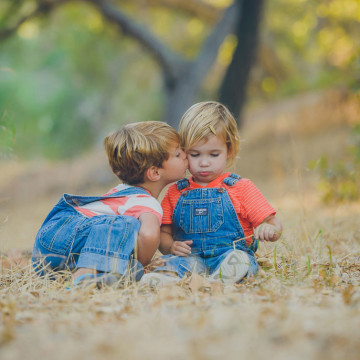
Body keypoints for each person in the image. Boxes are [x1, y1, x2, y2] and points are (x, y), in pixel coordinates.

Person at [140, 101, 282, 287]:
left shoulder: (241, 188)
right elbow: (164, 232)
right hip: (190, 259)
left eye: (213, 155)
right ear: (183, 152)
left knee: (240, 261)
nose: (204, 163)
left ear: (229, 150)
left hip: (228, 256)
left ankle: (226, 275)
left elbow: (272, 222)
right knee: (172, 264)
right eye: (195, 154)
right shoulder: (176, 192)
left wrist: (270, 229)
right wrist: (170, 247)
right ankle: (166, 279)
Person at [32, 121, 188, 287]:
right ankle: (84, 277)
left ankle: (100, 273)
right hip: (68, 233)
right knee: (127, 225)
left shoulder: (120, 192)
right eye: (178, 154)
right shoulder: (147, 203)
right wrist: (144, 262)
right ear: (155, 172)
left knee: (130, 267)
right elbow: (150, 236)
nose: (186, 154)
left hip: (47, 250)